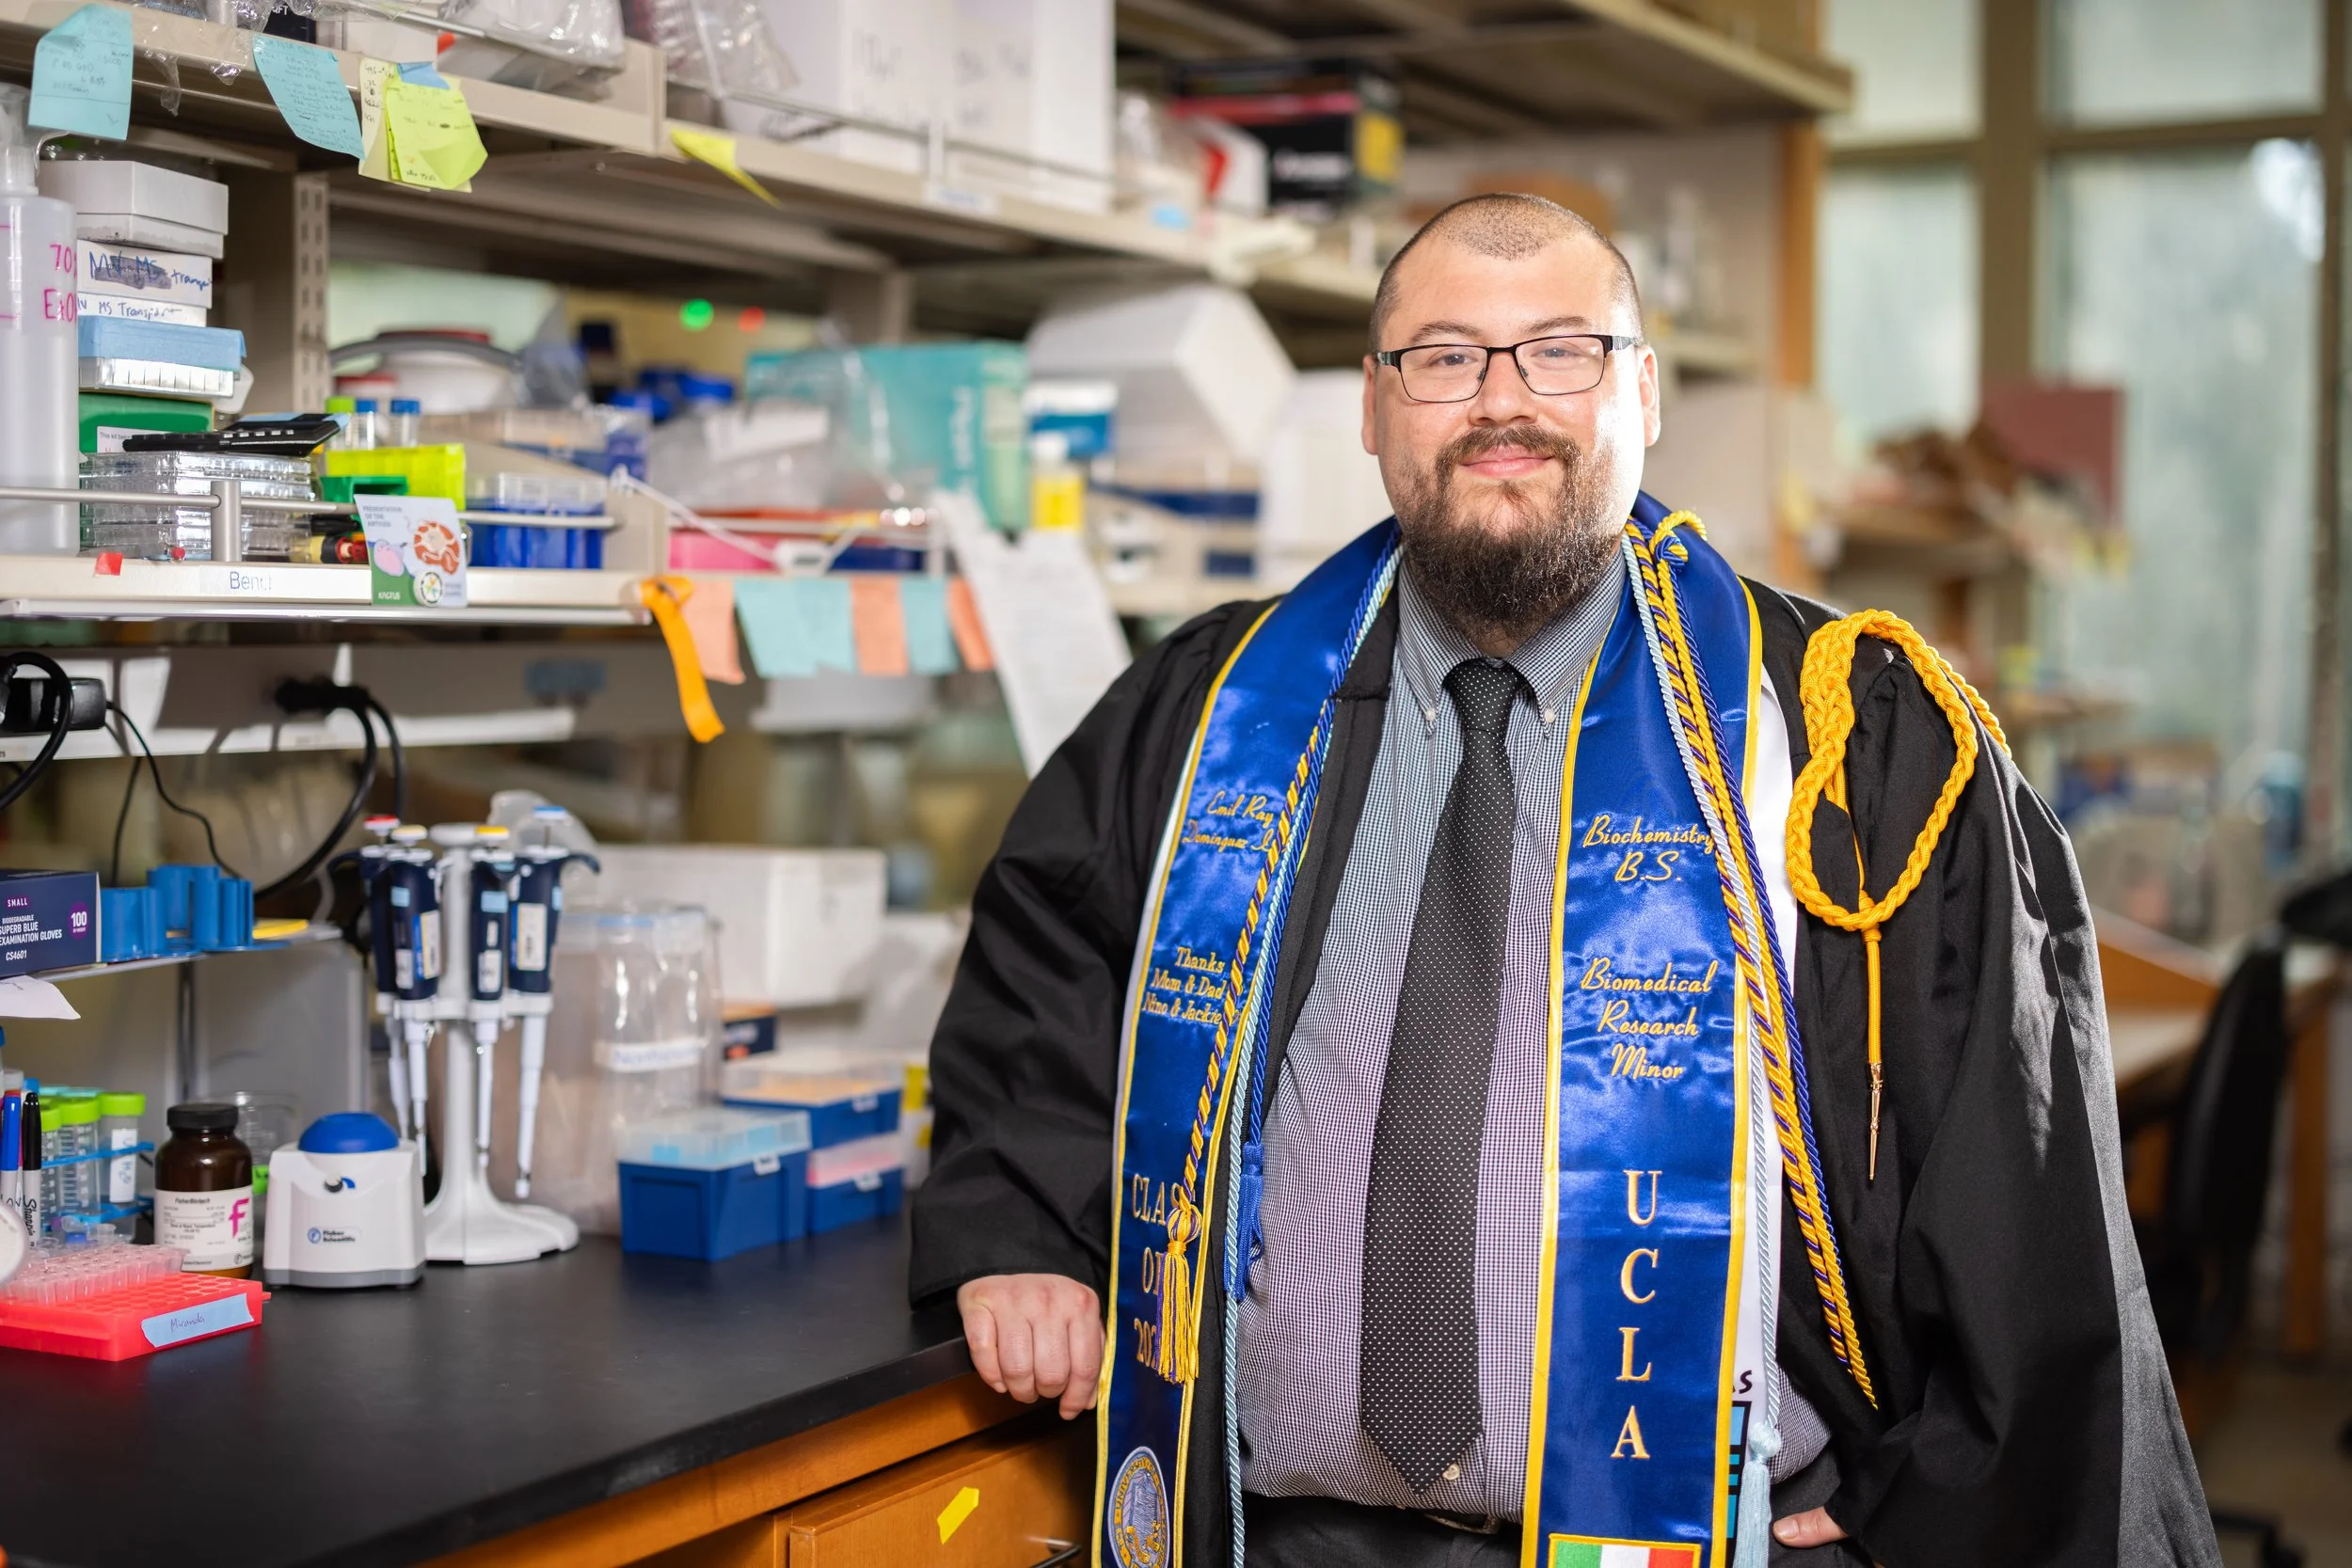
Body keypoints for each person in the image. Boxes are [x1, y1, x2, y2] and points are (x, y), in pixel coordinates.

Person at [911, 193, 2218, 1568]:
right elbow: (1050, 973)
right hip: (1278, 1534)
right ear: (1375, 406)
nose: (1500, 401)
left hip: (1709, 1541)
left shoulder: (1845, 737)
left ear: (1642, 390)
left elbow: (2019, 1168)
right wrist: (1020, 1223)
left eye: (1561, 351)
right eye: (1444, 357)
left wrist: (1931, 1496)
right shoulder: (1211, 711)